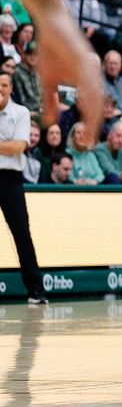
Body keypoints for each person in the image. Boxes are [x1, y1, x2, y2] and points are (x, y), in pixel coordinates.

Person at [0, 73, 47, 303]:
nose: (0, 88)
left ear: (10, 88)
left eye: (4, 84)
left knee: (21, 233)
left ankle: (36, 291)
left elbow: (18, 146)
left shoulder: (21, 113)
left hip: (10, 179)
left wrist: (8, 147)